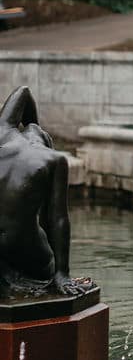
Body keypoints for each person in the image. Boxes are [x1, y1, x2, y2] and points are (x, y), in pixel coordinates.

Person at [0, 86, 85, 297]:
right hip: (25, 252)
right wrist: (62, 273)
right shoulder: (52, 160)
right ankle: (51, 274)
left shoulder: (2, 130)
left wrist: (34, 121)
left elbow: (24, 92)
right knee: (44, 252)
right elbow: (57, 219)